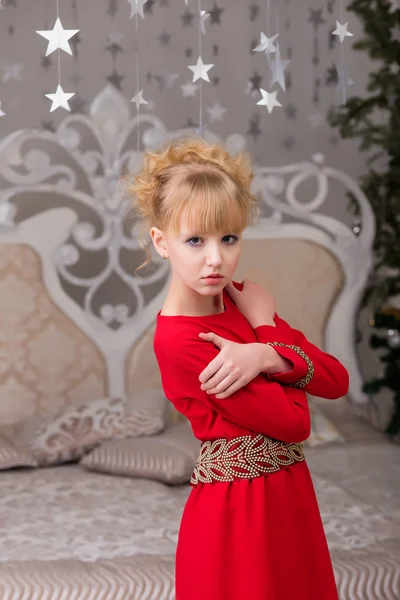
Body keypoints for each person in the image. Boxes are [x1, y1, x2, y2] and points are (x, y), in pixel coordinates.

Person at [128, 137, 349, 600]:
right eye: (195, 240)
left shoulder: (240, 301)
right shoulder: (180, 340)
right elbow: (295, 423)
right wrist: (269, 333)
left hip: (290, 501)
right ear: (161, 242)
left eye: (228, 238)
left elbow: (336, 380)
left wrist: (265, 353)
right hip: (238, 516)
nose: (216, 259)